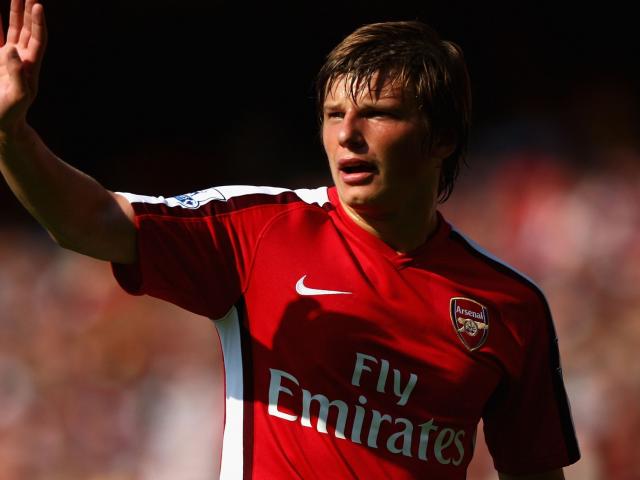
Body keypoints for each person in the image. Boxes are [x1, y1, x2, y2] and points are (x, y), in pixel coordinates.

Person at [0, 1, 580, 479]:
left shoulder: (510, 306)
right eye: (333, 114)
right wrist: (12, 137)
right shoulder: (260, 229)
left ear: (442, 138)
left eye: (378, 113)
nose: (347, 134)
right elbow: (88, 221)